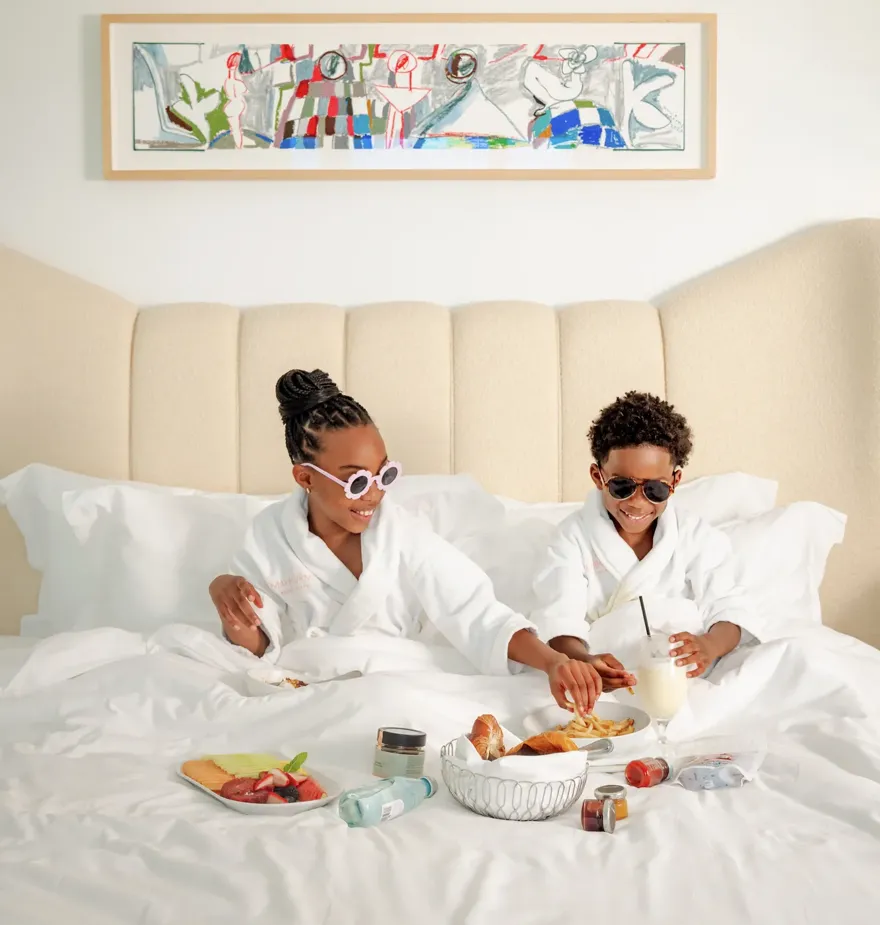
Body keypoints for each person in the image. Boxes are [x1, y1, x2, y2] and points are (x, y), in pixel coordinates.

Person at [209, 368, 603, 714]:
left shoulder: (402, 535)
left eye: (385, 475)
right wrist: (229, 603)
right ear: (306, 478)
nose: (374, 494)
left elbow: (474, 612)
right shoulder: (268, 536)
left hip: (392, 687)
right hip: (303, 693)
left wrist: (552, 662)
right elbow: (259, 648)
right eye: (357, 481)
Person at [531, 391, 762, 689]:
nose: (638, 503)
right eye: (622, 486)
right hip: (611, 672)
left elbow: (729, 606)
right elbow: (559, 621)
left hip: (688, 674)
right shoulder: (570, 539)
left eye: (655, 489)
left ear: (675, 482)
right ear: (598, 476)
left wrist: (709, 646)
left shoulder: (693, 535)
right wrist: (585, 661)